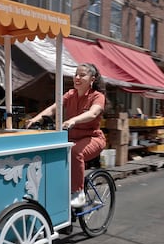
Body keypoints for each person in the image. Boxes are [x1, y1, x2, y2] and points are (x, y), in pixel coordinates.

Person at [26, 63, 106, 207]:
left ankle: (79, 193)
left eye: (82, 75)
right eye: (76, 74)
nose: (77, 77)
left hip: (93, 138)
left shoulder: (97, 96)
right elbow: (53, 109)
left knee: (75, 152)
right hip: (70, 138)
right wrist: (35, 119)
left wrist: (73, 120)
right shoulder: (70, 95)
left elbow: (93, 113)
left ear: (92, 79)